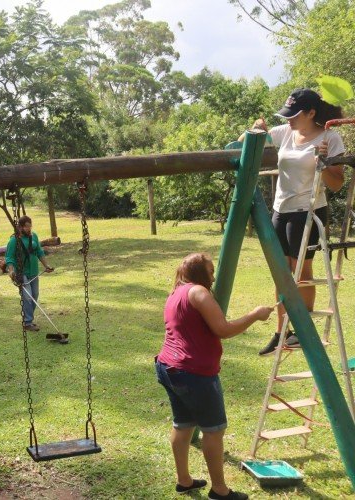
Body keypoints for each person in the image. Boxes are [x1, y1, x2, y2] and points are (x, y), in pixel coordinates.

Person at [156, 253, 273, 500]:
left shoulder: (176, 292)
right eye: (210, 271)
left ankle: (184, 480)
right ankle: (220, 491)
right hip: (193, 373)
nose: (213, 276)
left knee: (183, 423)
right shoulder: (199, 292)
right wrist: (255, 314)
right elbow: (223, 329)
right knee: (213, 430)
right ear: (199, 274)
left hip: (169, 367)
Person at [244, 88, 345, 355]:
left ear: (312, 113)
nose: (288, 119)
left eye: (294, 115)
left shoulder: (330, 138)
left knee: (301, 272)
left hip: (309, 210)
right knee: (281, 272)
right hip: (282, 209)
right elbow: (245, 140)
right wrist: (256, 128)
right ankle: (281, 332)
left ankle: (302, 332)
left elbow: (337, 183)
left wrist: (322, 162)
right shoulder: (285, 132)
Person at [5, 216, 53, 331]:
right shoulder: (14, 240)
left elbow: (39, 252)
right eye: (26, 227)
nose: (29, 228)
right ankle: (27, 322)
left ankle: (28, 317)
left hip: (34, 271)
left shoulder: (34, 236)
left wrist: (46, 265)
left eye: (30, 226)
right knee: (27, 297)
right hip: (22, 273)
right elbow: (9, 257)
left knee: (35, 295)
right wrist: (11, 271)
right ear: (20, 227)